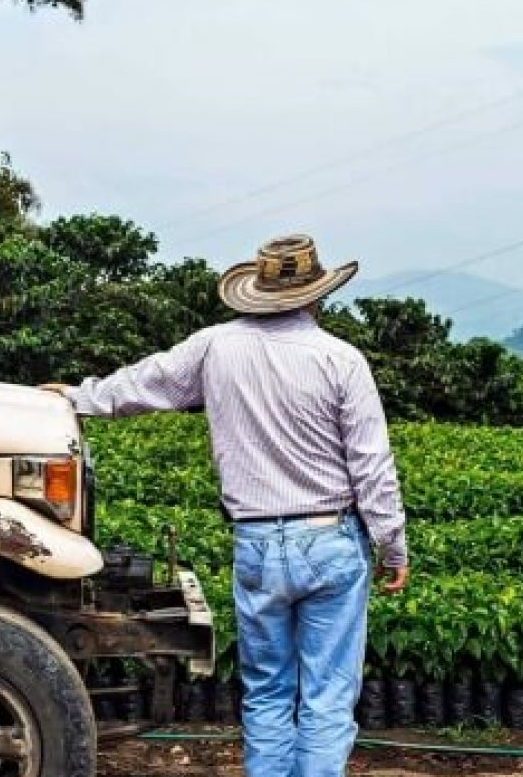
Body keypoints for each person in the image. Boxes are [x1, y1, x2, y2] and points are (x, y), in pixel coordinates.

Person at [41, 234, 409, 777]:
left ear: (258, 291)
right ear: (316, 295)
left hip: (257, 542)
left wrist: (75, 397)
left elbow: (145, 383)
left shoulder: (216, 346)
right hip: (331, 539)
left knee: (266, 693)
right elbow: (371, 465)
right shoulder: (341, 360)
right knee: (328, 696)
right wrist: (392, 545)